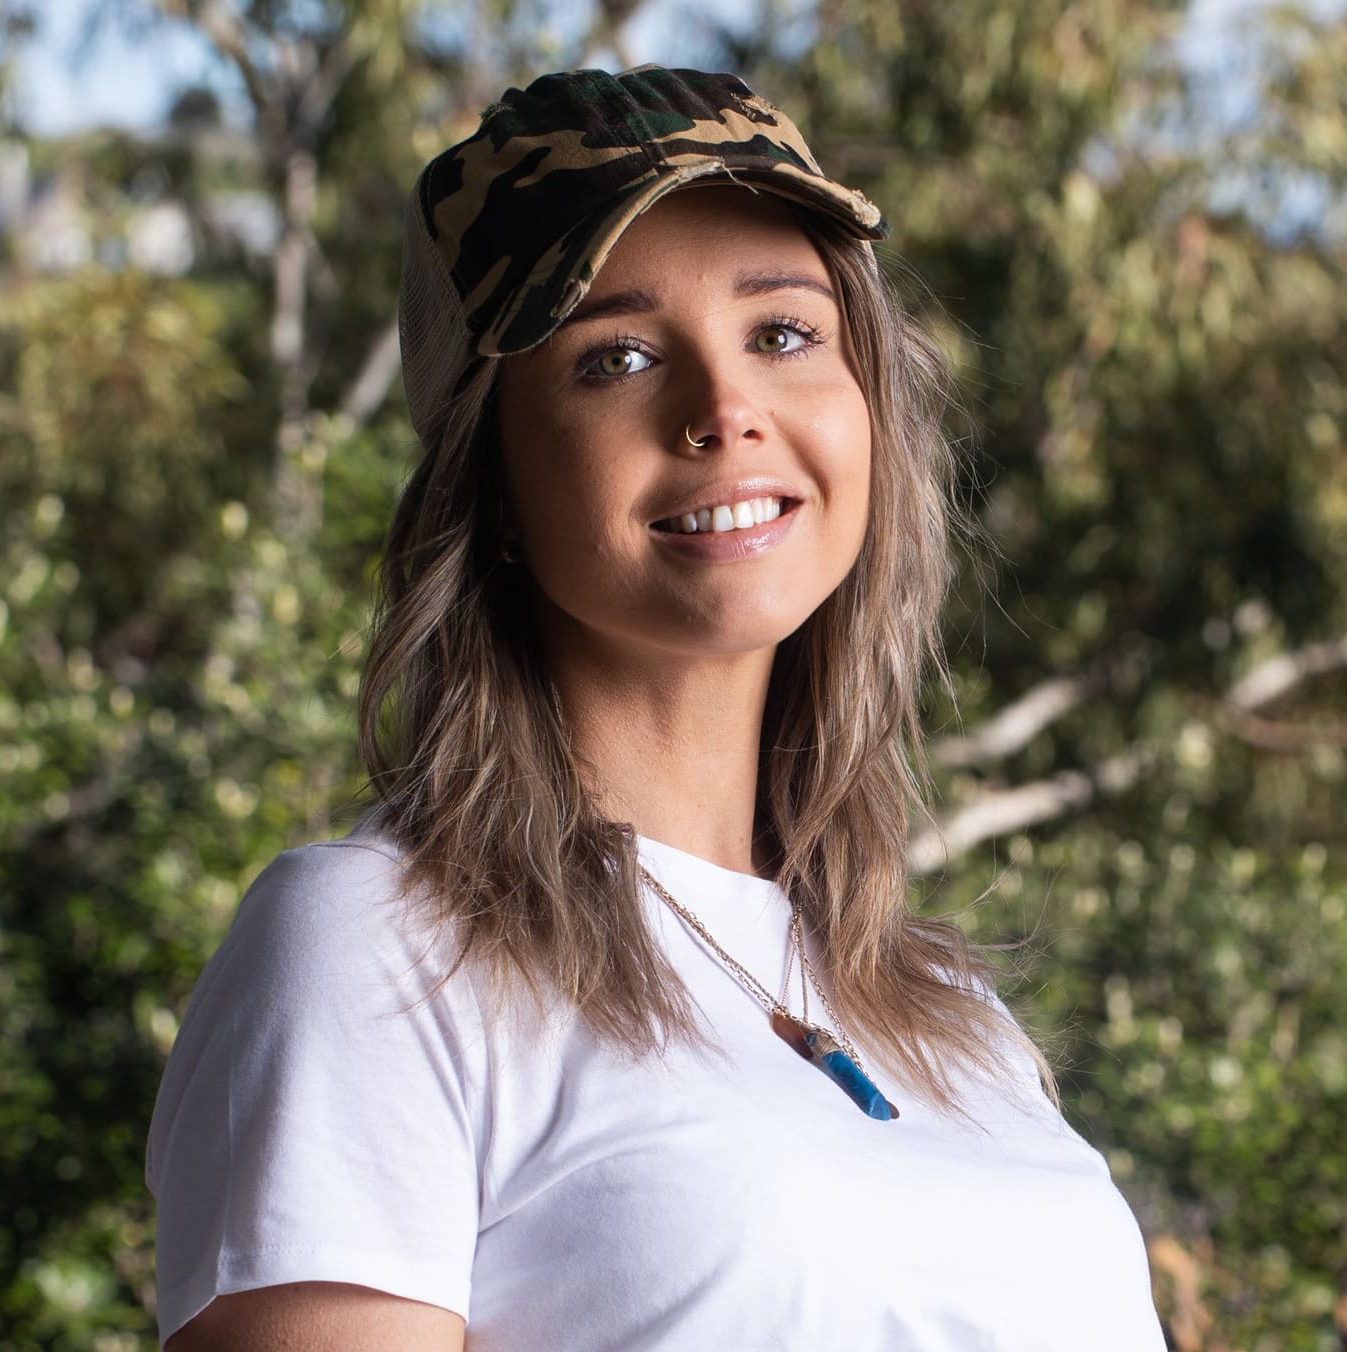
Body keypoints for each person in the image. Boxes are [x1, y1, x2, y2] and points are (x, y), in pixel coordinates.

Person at [146, 66, 1166, 1350]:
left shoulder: (949, 1009)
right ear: (490, 480)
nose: (725, 410)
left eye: (782, 334)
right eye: (614, 357)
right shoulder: (376, 951)